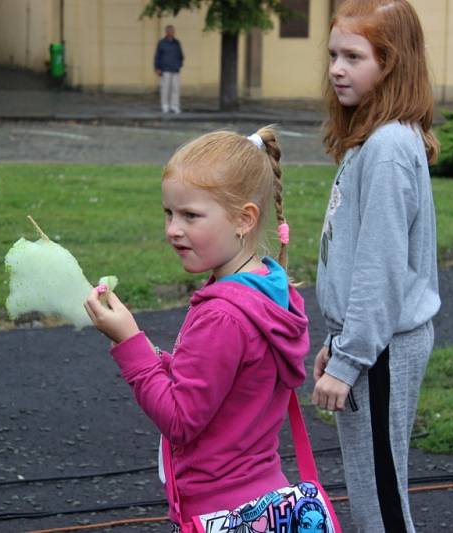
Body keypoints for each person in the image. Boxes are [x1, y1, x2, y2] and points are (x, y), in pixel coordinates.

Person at [84, 127, 310, 529]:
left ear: (244, 219)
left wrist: (129, 344)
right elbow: (227, 382)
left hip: (220, 511)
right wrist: (159, 359)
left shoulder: (222, 315)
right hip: (264, 498)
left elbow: (181, 419)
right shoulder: (270, 289)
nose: (173, 229)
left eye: (190, 215)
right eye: (169, 213)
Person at [311, 1, 441, 532]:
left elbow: (380, 271)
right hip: (368, 342)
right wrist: (339, 339)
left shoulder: (387, 148)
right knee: (371, 494)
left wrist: (350, 359)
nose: (337, 68)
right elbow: (356, 261)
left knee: (381, 503)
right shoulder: (373, 140)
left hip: (382, 348)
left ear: (391, 64)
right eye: (333, 54)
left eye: (353, 56)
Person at [154, 25, 184, 114]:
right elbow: (157, 56)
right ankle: (165, 106)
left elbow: (181, 55)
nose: (172, 33)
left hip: (175, 69)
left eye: (173, 31)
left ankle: (175, 106)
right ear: (166, 32)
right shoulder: (161, 43)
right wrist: (157, 68)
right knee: (165, 89)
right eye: (170, 31)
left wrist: (179, 65)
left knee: (175, 89)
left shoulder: (177, 43)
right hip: (165, 69)